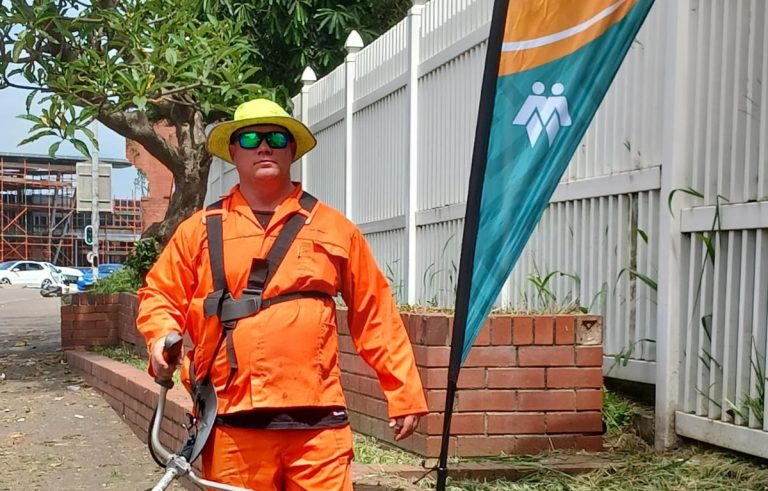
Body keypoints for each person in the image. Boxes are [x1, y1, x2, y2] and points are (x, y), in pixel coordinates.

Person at [136, 98, 428, 490]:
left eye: (275, 137)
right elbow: (159, 295)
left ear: (291, 150)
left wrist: (404, 390)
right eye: (251, 137)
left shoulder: (334, 228)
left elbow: (374, 310)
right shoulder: (200, 230)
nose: (264, 146)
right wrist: (159, 340)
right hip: (233, 424)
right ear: (233, 152)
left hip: (318, 427)